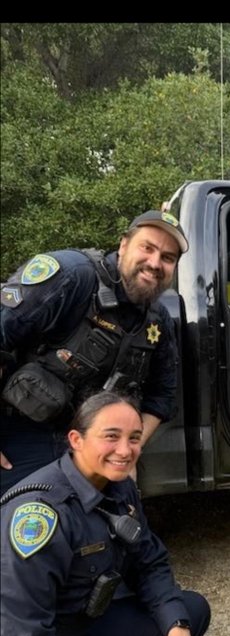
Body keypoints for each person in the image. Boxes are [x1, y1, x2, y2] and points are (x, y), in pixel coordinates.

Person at [0, 391, 210, 636]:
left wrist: (177, 629)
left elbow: (150, 563)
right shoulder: (37, 518)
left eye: (133, 438)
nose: (125, 450)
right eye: (111, 436)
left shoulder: (118, 487)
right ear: (76, 440)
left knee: (189, 611)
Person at [0, 209, 188, 494]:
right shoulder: (71, 276)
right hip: (22, 436)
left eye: (167, 258)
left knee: (111, 530)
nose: (154, 263)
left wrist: (127, 451)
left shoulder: (157, 320)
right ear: (124, 245)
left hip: (96, 451)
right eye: (147, 248)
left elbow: (161, 396)